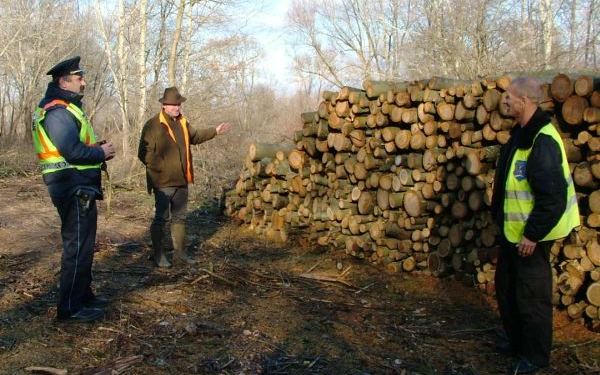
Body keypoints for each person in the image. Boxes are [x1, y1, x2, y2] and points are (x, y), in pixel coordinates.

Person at [491, 77, 580, 374]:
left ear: (525, 101)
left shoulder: (542, 139)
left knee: (532, 298)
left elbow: (552, 196)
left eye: (508, 97)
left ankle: (536, 355)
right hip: (512, 233)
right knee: (506, 289)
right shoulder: (520, 133)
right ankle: (516, 342)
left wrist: (532, 235)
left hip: (531, 236)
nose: (503, 101)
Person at [32, 56, 116, 323]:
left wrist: (95, 150)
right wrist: (99, 151)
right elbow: (71, 150)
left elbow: (75, 146)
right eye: (79, 77)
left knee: (85, 244)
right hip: (71, 184)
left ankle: (83, 295)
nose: (84, 81)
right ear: (63, 81)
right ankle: (70, 308)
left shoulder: (67, 108)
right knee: (77, 246)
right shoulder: (57, 111)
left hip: (77, 183)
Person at [138, 87, 232, 268]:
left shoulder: (182, 122)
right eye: (173, 105)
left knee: (179, 218)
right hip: (163, 182)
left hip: (182, 180)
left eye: (178, 104)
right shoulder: (152, 125)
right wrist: (161, 168)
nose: (176, 108)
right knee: (161, 218)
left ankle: (181, 254)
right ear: (164, 105)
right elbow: (144, 153)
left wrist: (215, 131)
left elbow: (195, 136)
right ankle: (159, 254)